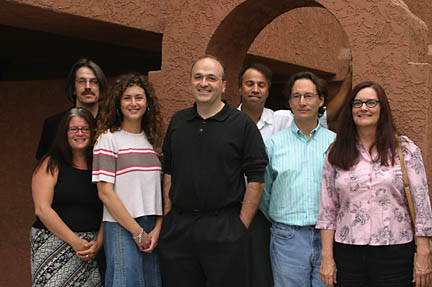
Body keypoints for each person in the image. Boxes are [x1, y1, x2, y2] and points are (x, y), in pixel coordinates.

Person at [159, 55, 268, 287]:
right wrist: (169, 217)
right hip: (180, 227)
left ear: (224, 85)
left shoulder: (242, 125)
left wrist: (240, 227)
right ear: (190, 82)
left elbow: (257, 179)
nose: (204, 83)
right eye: (198, 77)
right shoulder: (178, 122)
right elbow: (169, 170)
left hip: (225, 226)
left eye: (211, 78)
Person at [316, 81, 432, 287]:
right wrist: (327, 257)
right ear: (350, 109)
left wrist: (423, 252)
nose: (363, 108)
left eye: (371, 102)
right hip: (348, 251)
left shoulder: (405, 149)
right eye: (357, 103)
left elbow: (422, 204)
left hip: (395, 251)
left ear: (382, 108)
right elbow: (328, 210)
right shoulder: (335, 152)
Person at [261, 71, 335, 287]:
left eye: (309, 96)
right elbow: (264, 192)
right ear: (290, 102)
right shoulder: (273, 145)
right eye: (296, 96)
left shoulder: (335, 144)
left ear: (321, 100)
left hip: (328, 238)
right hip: (287, 238)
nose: (302, 102)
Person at [92, 73, 164, 287]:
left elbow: (161, 190)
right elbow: (105, 193)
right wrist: (136, 231)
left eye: (139, 98)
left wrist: (157, 229)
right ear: (118, 103)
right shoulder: (108, 139)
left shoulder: (154, 144)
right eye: (127, 98)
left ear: (147, 103)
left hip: (151, 228)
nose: (134, 103)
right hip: (121, 226)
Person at [30, 107, 103, 286]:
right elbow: (42, 209)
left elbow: (108, 206)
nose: (80, 133)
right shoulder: (51, 163)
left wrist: (98, 243)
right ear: (64, 133)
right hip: (53, 244)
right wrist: (74, 241)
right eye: (74, 129)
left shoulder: (100, 164)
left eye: (85, 129)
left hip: (89, 249)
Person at [36, 58, 107, 160]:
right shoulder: (54, 124)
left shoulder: (114, 123)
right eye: (81, 81)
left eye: (93, 81)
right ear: (73, 88)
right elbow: (44, 169)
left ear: (100, 87)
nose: (88, 87)